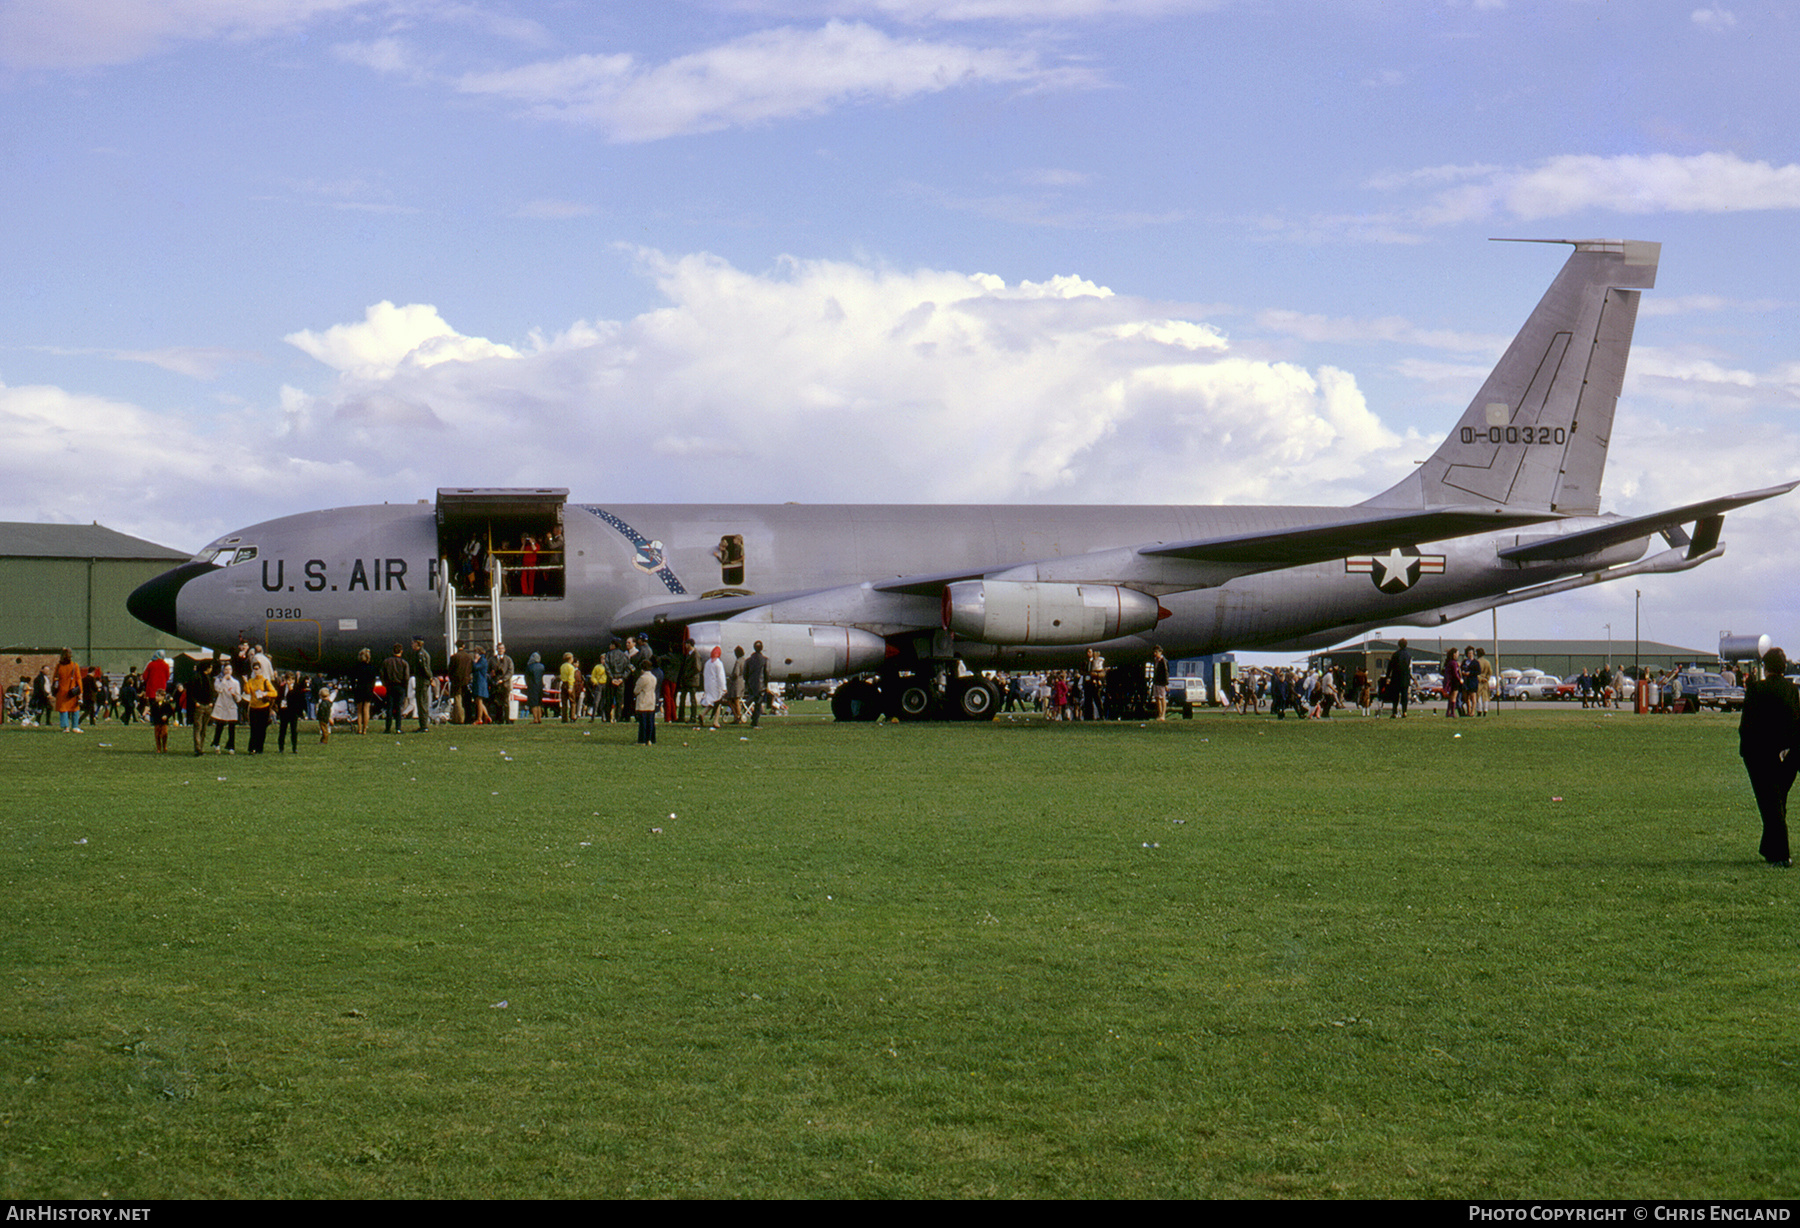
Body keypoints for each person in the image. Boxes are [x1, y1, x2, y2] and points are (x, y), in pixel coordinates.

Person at [1739, 647, 1798, 868]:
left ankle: (1780, 854)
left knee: (1770, 804)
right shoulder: (1792, 690)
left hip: (1761, 755)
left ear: (1765, 667)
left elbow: (1747, 726)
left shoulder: (1756, 690)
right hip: (1788, 755)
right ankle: (1769, 848)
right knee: (1778, 802)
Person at [211, 662, 242, 753]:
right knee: (219, 726)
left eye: (230, 669)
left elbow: (239, 697)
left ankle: (231, 747)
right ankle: (216, 744)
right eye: (226, 669)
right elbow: (218, 689)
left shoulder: (236, 682)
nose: (228, 671)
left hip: (231, 706)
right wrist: (224, 680)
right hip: (221, 705)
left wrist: (235, 696)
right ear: (223, 671)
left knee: (232, 728)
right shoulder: (218, 680)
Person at [380, 643, 410, 733]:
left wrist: (385, 684)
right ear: (401, 651)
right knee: (398, 708)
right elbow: (407, 677)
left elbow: (382, 674)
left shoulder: (386, 662)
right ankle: (398, 728)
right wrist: (405, 688)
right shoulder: (404, 663)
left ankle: (388, 728)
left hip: (389, 686)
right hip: (400, 687)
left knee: (389, 707)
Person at [53, 648, 83, 732]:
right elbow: (79, 679)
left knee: (63, 710)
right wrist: (80, 691)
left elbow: (55, 679)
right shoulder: (74, 665)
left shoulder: (58, 666)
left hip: (61, 691)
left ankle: (66, 727)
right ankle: (75, 727)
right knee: (75, 709)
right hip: (72, 691)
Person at [1385, 639, 1413, 718]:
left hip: (1396, 678)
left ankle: (1394, 712)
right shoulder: (1408, 655)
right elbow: (1409, 668)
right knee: (1404, 696)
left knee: (1395, 696)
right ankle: (1404, 712)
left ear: (1399, 645)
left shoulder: (1395, 655)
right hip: (1405, 678)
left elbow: (1390, 666)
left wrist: (1387, 676)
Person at [634, 659, 659, 744]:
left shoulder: (642, 678)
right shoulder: (654, 678)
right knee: (651, 721)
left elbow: (636, 690)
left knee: (643, 722)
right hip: (651, 700)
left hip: (643, 701)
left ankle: (642, 740)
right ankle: (651, 739)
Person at [702, 646, 727, 727]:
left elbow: (704, 675)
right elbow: (721, 677)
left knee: (711, 703)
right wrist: (724, 687)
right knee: (717, 703)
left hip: (708, 686)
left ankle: (702, 715)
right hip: (716, 687)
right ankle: (715, 721)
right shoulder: (718, 664)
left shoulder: (707, 663)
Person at [412, 637, 433, 732]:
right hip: (421, 681)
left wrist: (430, 677)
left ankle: (424, 725)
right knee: (420, 703)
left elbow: (425, 668)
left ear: (417, 643)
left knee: (422, 703)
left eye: (413, 643)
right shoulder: (419, 654)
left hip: (422, 681)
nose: (412, 645)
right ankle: (422, 724)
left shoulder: (421, 654)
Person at [746, 641, 768, 728]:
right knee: (758, 704)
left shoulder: (749, 660)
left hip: (751, 684)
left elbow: (745, 673)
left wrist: (748, 682)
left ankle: (753, 718)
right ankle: (755, 721)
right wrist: (765, 684)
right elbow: (767, 673)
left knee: (751, 700)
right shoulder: (765, 660)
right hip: (760, 685)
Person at [1150, 646, 1169, 721]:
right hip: (1156, 681)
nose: (1155, 654)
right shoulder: (1155, 660)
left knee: (1162, 698)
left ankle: (1163, 714)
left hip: (1161, 682)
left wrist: (1166, 684)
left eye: (1156, 652)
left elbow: (1166, 672)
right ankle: (1160, 713)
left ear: (1160, 652)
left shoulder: (1163, 661)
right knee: (1157, 697)